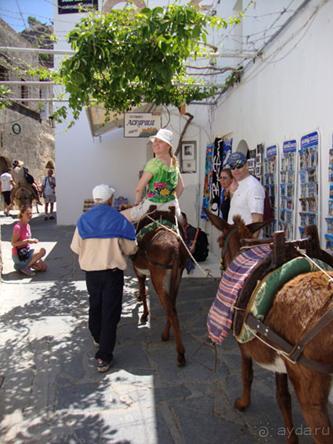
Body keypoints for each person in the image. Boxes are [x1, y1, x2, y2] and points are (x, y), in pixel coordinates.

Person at [71, 184, 137, 373]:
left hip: (91, 274)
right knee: (110, 312)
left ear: (95, 199)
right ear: (110, 200)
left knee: (96, 305)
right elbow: (130, 248)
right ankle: (104, 356)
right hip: (112, 274)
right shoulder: (119, 220)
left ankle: (98, 336)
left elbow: (76, 248)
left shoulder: (83, 220)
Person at [121, 128, 184, 222]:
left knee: (120, 216)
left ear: (168, 146)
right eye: (155, 141)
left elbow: (139, 189)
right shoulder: (174, 163)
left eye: (161, 142)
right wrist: (168, 200)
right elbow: (181, 187)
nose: (155, 144)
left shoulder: (153, 163)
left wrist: (137, 203)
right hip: (172, 206)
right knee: (183, 228)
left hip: (151, 206)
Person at [227, 152, 265, 227]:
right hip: (234, 236)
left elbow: (257, 220)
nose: (236, 170)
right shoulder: (237, 184)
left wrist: (251, 239)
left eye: (239, 166)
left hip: (245, 237)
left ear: (247, 165)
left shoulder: (253, 186)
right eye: (232, 167)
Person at [11, 205, 47, 277]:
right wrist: (27, 240)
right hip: (19, 255)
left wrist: (31, 240)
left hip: (26, 252)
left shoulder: (28, 225)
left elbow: (26, 239)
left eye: (31, 213)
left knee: (43, 267)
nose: (30, 215)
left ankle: (20, 267)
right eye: (27, 213)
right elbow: (13, 243)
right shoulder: (18, 227)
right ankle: (25, 267)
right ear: (22, 214)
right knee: (42, 251)